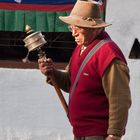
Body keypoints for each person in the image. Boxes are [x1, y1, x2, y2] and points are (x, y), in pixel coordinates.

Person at [38, 0, 131, 140]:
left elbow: (120, 99)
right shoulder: (80, 48)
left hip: (98, 133)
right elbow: (71, 83)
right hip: (80, 131)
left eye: (79, 27)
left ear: (95, 28)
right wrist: (51, 72)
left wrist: (114, 134)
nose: (73, 33)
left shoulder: (109, 54)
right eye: (71, 27)